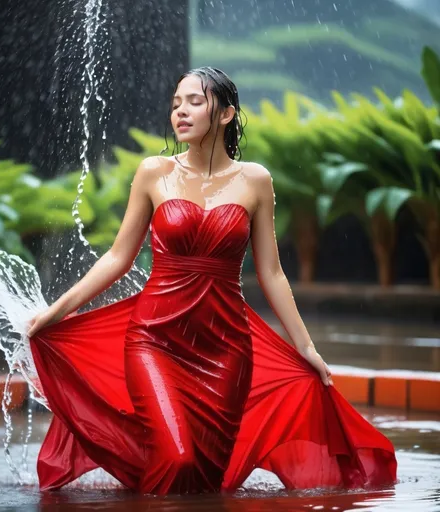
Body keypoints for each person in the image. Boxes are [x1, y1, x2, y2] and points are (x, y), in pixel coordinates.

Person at [25, 67, 397, 494]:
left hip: (226, 350)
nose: (180, 112)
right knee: (178, 456)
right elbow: (117, 258)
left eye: (194, 102)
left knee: (203, 481)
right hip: (154, 341)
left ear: (225, 114)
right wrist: (56, 312)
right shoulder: (154, 173)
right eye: (175, 104)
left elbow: (271, 273)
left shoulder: (255, 180)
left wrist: (306, 347)